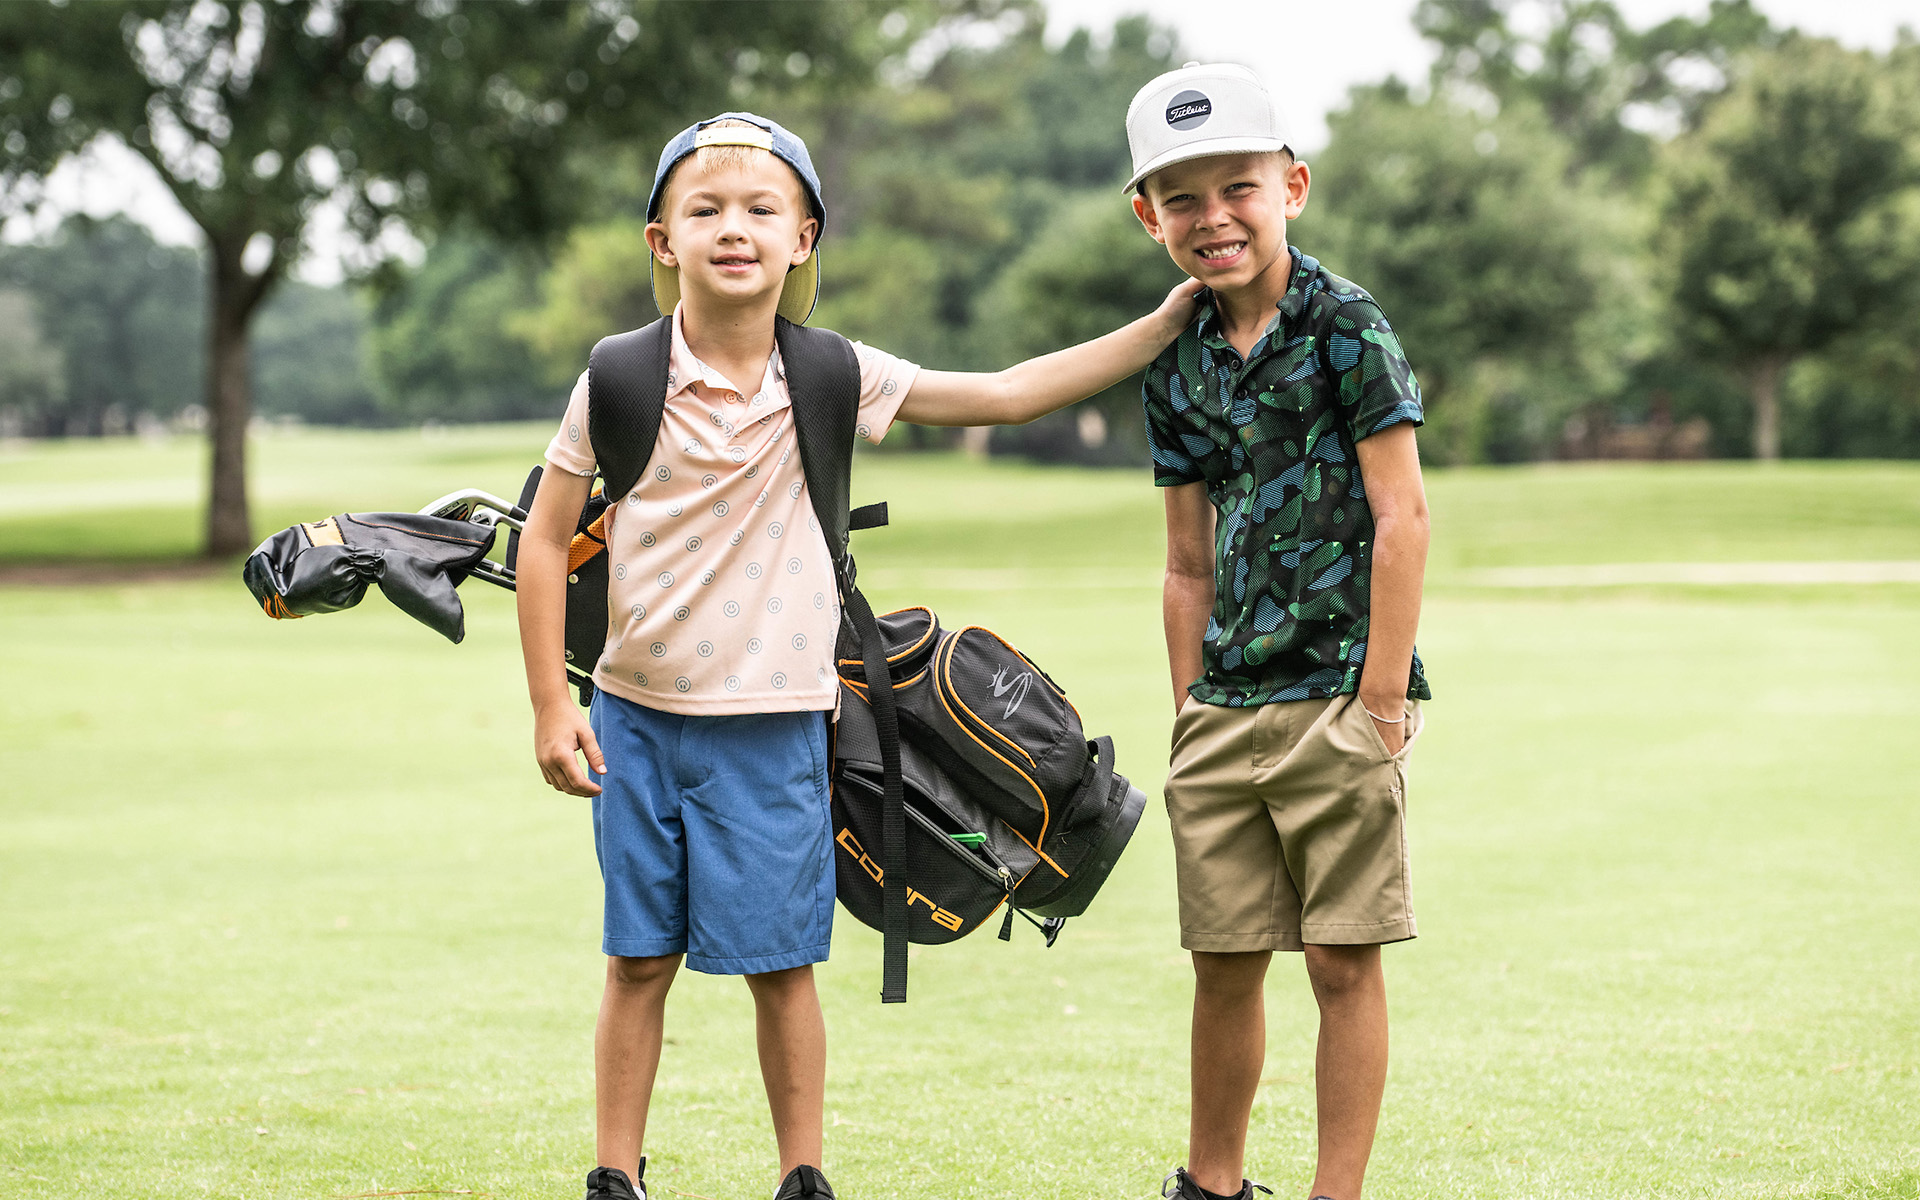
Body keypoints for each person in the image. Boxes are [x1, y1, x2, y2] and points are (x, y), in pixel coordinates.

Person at [515, 111, 1199, 1200]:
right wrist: (555, 708)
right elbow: (545, 541)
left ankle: (803, 1177)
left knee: (782, 970)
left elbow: (1005, 393)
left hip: (779, 729)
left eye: (760, 210)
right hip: (634, 724)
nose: (732, 228)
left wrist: (1160, 327)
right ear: (661, 241)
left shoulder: (832, 372)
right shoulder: (618, 377)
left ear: (802, 240)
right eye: (704, 210)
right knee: (637, 961)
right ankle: (615, 1175)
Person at [1125, 65, 1433, 1200]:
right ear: (1148, 216)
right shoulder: (1175, 361)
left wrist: (1382, 700)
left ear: (1291, 187)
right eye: (1183, 198)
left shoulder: (1347, 324)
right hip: (1224, 709)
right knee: (1222, 966)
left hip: (1340, 696)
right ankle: (1213, 1185)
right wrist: (1188, 711)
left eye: (1238, 188)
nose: (1214, 217)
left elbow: (1403, 516)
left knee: (1343, 966)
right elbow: (1185, 561)